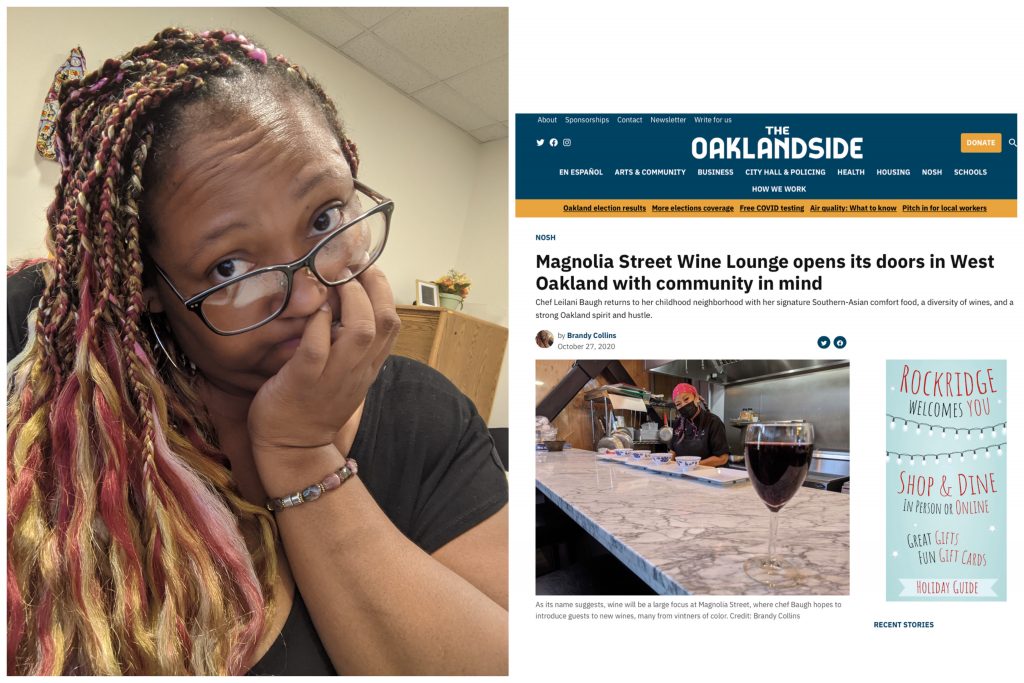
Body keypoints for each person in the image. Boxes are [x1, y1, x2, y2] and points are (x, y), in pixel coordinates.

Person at [6, 28, 507, 676]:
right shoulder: (83, 462)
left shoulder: (426, 411)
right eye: (230, 267)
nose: (310, 295)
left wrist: (301, 456)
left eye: (325, 219)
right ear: (148, 286)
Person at [669, 383, 730, 467]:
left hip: (710, 474)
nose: (683, 405)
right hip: (684, 472)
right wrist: (667, 466)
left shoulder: (713, 422)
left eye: (686, 399)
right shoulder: (677, 424)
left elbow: (722, 458)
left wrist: (693, 465)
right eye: (678, 404)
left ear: (696, 398)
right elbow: (673, 452)